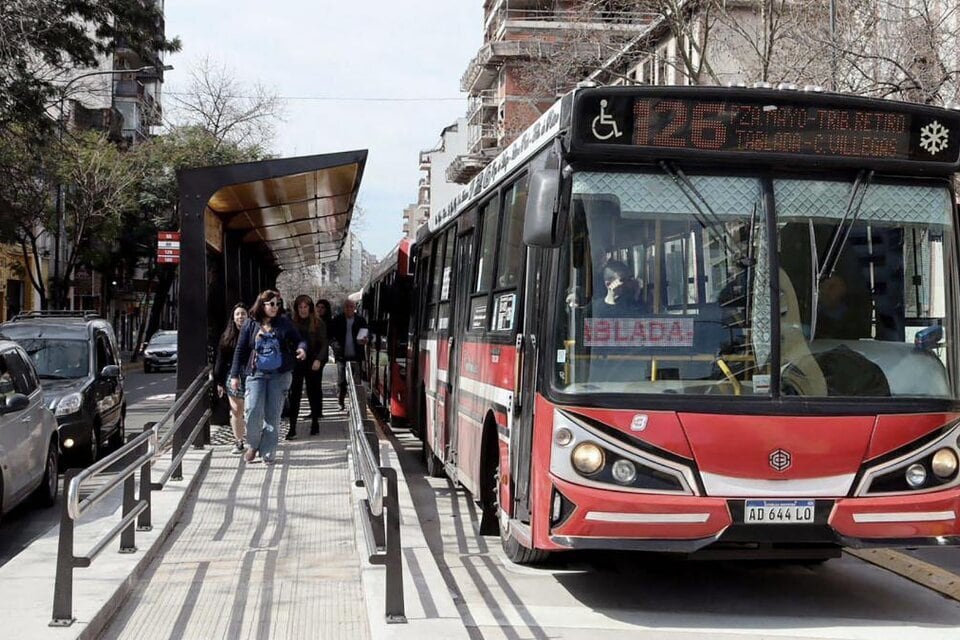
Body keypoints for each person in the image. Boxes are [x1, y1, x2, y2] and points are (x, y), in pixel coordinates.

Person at [230, 289, 307, 464]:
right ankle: (253, 445)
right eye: (271, 304)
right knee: (253, 412)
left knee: (273, 415)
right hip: (256, 374)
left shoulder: (284, 323)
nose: (274, 307)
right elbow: (241, 350)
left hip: (279, 375)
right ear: (262, 304)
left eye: (277, 304)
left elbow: (300, 340)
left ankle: (268, 450)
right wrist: (234, 375)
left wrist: (302, 349)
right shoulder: (250, 324)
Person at [286, 294, 328, 439]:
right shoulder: (292, 323)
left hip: (313, 362)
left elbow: (324, 344)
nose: (303, 310)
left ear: (310, 308)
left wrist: (319, 360)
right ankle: (292, 428)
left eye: (306, 307)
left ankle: (315, 422)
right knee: (294, 395)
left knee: (313, 392)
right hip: (297, 362)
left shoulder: (318, 323)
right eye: (300, 307)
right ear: (296, 309)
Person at [214, 302, 249, 454]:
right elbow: (220, 361)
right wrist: (219, 381)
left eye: (243, 314)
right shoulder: (227, 337)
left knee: (252, 410)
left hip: (252, 375)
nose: (241, 316)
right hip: (233, 377)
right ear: (233, 318)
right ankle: (239, 441)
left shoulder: (254, 333)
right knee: (236, 411)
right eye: (238, 314)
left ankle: (254, 441)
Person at [328, 297, 369, 411]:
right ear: (344, 308)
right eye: (347, 307)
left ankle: (356, 403)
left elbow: (366, 333)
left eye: (351, 307)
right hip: (341, 355)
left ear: (355, 308)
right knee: (341, 380)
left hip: (356, 355)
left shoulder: (360, 320)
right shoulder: (337, 320)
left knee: (356, 380)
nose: (349, 309)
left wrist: (365, 339)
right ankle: (340, 401)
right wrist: (335, 346)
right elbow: (330, 337)